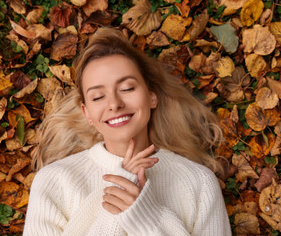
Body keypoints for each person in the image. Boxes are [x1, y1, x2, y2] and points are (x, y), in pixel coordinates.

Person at [23, 27, 231, 236]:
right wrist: (115, 209)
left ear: (152, 96)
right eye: (98, 97)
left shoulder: (200, 183)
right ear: (87, 113)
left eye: (127, 88)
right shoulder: (54, 181)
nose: (114, 104)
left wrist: (147, 219)